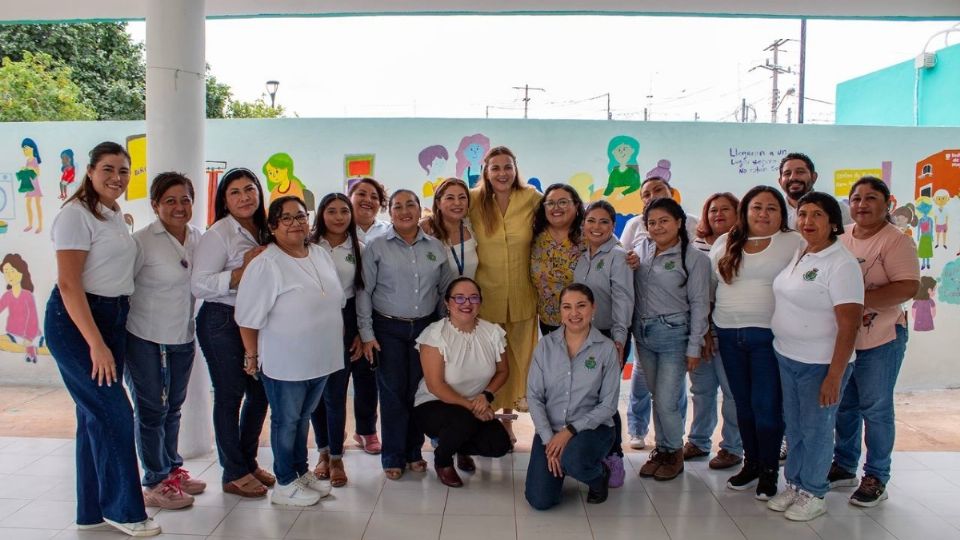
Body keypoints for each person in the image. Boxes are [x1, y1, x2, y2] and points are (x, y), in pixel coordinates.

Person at [45, 141, 160, 537]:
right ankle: (125, 510)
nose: (116, 177)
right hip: (77, 322)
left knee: (93, 417)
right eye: (108, 169)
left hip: (111, 317)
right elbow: (68, 284)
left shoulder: (111, 214)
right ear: (90, 172)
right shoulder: (75, 216)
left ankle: (92, 510)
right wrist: (95, 343)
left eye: (124, 171)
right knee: (115, 413)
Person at [236, 196, 344, 506]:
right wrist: (252, 357)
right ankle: (284, 483)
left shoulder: (320, 254)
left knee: (303, 418)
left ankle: (300, 473)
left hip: (320, 357)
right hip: (286, 361)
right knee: (286, 422)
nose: (296, 223)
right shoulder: (266, 263)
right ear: (272, 227)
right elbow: (246, 318)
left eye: (300, 216)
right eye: (287, 218)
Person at [767, 191, 863, 522]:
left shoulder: (841, 263)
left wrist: (835, 375)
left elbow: (849, 326)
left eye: (817, 215)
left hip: (820, 362)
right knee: (794, 426)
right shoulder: (803, 252)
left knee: (817, 427)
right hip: (787, 356)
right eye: (803, 214)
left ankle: (814, 491)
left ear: (833, 222)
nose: (807, 221)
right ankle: (794, 484)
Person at [828, 177, 920, 507]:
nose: (862, 204)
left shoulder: (896, 241)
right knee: (845, 406)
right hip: (844, 339)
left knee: (876, 408)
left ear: (887, 203)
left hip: (881, 338)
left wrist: (857, 299)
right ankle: (844, 465)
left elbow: (907, 287)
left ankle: (876, 475)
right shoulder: (842, 237)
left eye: (871, 198)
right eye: (856, 199)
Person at [710, 185, 804, 499]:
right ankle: (750, 465)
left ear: (782, 213)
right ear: (746, 211)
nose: (763, 214)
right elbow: (715, 284)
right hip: (728, 334)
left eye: (771, 208)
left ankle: (768, 472)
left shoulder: (793, 242)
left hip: (769, 337)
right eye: (757, 207)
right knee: (743, 406)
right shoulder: (725, 242)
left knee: (767, 408)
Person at [358, 189, 455, 479]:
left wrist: (443, 329)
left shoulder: (435, 247)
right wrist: (366, 332)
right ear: (390, 212)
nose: (404, 211)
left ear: (419, 208)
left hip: (425, 328)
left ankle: (414, 451)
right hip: (388, 328)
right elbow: (364, 291)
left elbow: (445, 290)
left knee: (418, 392)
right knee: (392, 392)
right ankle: (393, 455)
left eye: (410, 204)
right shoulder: (376, 247)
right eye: (397, 206)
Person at [191, 168, 273, 498]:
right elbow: (199, 284)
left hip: (257, 322)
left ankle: (247, 461)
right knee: (230, 394)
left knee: (261, 393)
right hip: (222, 321)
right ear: (224, 200)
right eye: (235, 192)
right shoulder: (219, 233)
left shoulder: (266, 228)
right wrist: (242, 271)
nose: (244, 197)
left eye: (249, 189)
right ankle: (233, 471)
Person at [125, 172, 205, 510]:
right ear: (155, 205)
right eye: (169, 200)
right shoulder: (142, 241)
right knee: (151, 410)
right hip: (144, 335)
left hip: (182, 335)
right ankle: (155, 481)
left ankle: (172, 468)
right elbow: (121, 284)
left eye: (185, 199)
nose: (178, 206)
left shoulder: (199, 239)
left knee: (173, 407)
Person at [632, 197, 710, 482]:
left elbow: (701, 304)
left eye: (664, 220)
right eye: (652, 222)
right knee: (656, 396)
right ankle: (663, 450)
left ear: (679, 222)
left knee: (666, 399)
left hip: (674, 335)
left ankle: (674, 452)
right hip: (643, 334)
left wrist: (695, 346)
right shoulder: (641, 249)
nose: (657, 227)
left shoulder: (694, 258)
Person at [525, 284, 621, 509]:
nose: (574, 313)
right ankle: (565, 462)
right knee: (540, 500)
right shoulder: (545, 346)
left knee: (573, 459)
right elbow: (534, 396)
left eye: (581, 306)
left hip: (592, 429)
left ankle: (598, 477)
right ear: (560, 311)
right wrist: (550, 441)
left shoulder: (606, 349)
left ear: (593, 308)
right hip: (551, 430)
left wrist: (569, 432)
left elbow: (608, 406)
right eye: (567, 307)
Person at [468, 146, 541, 441]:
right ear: (486, 170)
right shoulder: (473, 200)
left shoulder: (532, 198)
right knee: (487, 364)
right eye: (495, 167)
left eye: (507, 167)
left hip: (523, 297)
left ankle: (508, 422)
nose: (502, 173)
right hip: (485, 299)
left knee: (518, 362)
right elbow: (444, 214)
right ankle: (484, 419)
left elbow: (567, 219)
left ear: (516, 168)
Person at [413, 277, 513, 487]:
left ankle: (457, 445)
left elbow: (503, 371)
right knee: (463, 421)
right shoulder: (434, 334)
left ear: (480, 302)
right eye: (459, 298)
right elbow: (435, 386)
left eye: (473, 298)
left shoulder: (492, 332)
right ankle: (443, 460)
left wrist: (486, 396)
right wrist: (473, 408)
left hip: (474, 404)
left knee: (499, 444)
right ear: (447, 303)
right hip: (433, 404)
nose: (466, 303)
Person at [621, 175, 692, 450]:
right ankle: (639, 430)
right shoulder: (635, 227)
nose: (652, 195)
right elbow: (622, 256)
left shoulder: (689, 231)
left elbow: (695, 287)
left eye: (658, 190)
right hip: (644, 323)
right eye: (646, 193)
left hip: (675, 325)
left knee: (671, 391)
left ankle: (672, 445)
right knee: (643, 381)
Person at [309, 193, 371, 487]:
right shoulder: (307, 246)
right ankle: (321, 452)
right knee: (314, 395)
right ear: (321, 214)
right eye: (331, 211)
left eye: (344, 211)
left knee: (335, 393)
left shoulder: (359, 248)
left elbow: (362, 293)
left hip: (344, 321)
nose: (338, 217)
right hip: (309, 322)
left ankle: (335, 456)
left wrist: (360, 331)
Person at [572, 200, 634, 487]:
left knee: (606, 401)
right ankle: (592, 454)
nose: (596, 227)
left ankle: (615, 457)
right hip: (584, 337)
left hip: (609, 337)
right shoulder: (584, 255)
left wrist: (619, 339)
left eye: (604, 222)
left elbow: (623, 299)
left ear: (613, 226)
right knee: (588, 399)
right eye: (591, 221)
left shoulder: (618, 256)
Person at [685, 192, 744, 471]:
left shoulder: (744, 245)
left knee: (733, 392)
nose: (718, 215)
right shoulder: (693, 246)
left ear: (738, 213)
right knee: (702, 389)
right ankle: (698, 441)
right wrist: (703, 331)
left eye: (725, 210)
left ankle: (732, 447)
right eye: (712, 210)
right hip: (700, 329)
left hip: (730, 330)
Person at [530, 183, 585, 335]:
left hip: (582, 322)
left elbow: (615, 251)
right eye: (550, 203)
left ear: (576, 205)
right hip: (548, 322)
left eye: (563, 202)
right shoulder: (534, 236)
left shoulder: (589, 234)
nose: (556, 208)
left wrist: (632, 257)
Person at [422, 178, 479, 279]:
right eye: (450, 198)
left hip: (470, 294)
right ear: (438, 203)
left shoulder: (471, 225)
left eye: (462, 197)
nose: (457, 203)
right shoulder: (426, 229)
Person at [778, 152, 852, 229]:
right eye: (787, 173)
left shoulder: (838, 209)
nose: (793, 177)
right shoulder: (772, 212)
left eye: (800, 172)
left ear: (814, 177)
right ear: (780, 181)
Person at [0, 254, 41, 363]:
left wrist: (28, 337)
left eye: (12, 271)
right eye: (6, 273)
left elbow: (33, 318)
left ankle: (34, 348)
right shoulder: (7, 295)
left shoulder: (27, 295)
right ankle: (29, 350)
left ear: (21, 272)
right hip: (13, 334)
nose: (9, 276)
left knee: (51, 348)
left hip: (30, 336)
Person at [349, 177, 391, 246]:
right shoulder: (340, 229)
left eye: (374, 197)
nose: (368, 200)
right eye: (362, 194)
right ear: (349, 198)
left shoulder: (389, 230)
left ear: (380, 204)